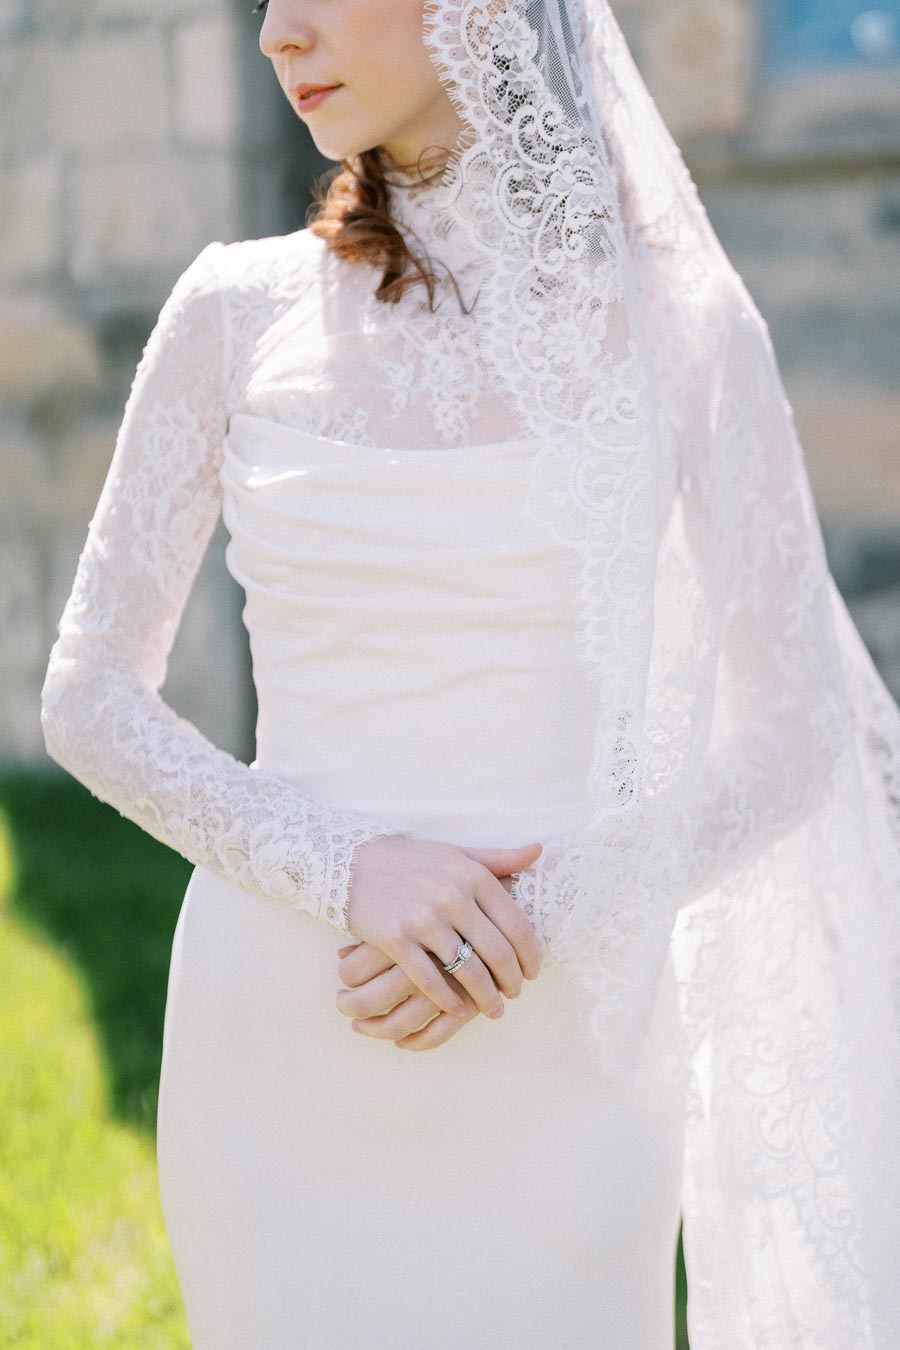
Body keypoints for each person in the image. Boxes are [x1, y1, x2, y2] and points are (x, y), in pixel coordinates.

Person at [39, 1, 900, 1347]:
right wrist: (344, 868)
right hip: (285, 1028)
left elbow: (795, 734)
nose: (276, 34)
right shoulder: (232, 312)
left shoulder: (685, 328)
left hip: (565, 1044)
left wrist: (542, 912)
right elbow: (87, 694)